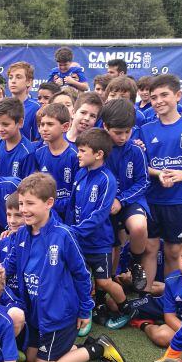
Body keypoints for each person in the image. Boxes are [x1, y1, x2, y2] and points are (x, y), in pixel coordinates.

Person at [2, 172, 127, 362]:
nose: (24, 209)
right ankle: (70, 348)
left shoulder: (64, 235)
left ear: (49, 203)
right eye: (22, 203)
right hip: (35, 312)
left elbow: (82, 274)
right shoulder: (22, 233)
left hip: (58, 315)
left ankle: (98, 348)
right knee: (32, 357)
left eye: (30, 204)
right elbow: (11, 264)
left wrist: (85, 309)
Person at [139, 74, 182, 283]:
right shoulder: (145, 129)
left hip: (178, 199)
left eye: (164, 95)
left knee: (173, 250)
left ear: (178, 95)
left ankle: (170, 298)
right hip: (152, 198)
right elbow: (144, 165)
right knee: (150, 248)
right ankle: (147, 293)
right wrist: (158, 173)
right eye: (153, 97)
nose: (158, 101)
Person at [65, 129, 131, 329]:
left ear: (98, 154)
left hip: (99, 243)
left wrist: (73, 232)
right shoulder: (80, 174)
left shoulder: (107, 179)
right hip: (79, 241)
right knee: (80, 278)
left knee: (103, 282)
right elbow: (71, 205)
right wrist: (66, 227)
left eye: (82, 150)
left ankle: (127, 308)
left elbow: (100, 214)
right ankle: (87, 313)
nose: (78, 154)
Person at [101, 99, 150, 292]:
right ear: (105, 126)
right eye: (117, 133)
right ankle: (110, 287)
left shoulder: (136, 150)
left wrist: (121, 200)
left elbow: (144, 181)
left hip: (129, 200)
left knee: (138, 227)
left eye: (127, 132)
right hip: (105, 204)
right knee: (112, 246)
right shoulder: (98, 147)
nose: (123, 137)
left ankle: (136, 264)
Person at [20, 103, 77, 218]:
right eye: (41, 125)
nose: (44, 129)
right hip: (45, 212)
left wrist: (57, 204)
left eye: (50, 124)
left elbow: (77, 194)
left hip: (68, 214)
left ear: (65, 127)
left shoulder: (75, 155)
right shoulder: (38, 153)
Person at [0, 98, 34, 179]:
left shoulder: (28, 152)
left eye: (5, 124)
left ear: (20, 123)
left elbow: (29, 186)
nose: (0, 129)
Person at [6, 61, 40, 141]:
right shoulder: (2, 106)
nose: (13, 81)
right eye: (10, 77)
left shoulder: (35, 107)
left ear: (29, 82)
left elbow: (38, 140)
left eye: (18, 77)